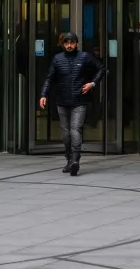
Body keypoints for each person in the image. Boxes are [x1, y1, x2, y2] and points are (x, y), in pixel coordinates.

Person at [39, 31, 103, 177]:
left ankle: (75, 160)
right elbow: (49, 78)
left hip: (79, 101)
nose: (69, 45)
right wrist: (43, 95)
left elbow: (101, 68)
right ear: (63, 44)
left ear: (77, 44)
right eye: (66, 43)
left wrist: (92, 84)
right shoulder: (57, 59)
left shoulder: (84, 57)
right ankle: (69, 159)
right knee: (66, 133)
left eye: (72, 43)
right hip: (62, 102)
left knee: (75, 129)